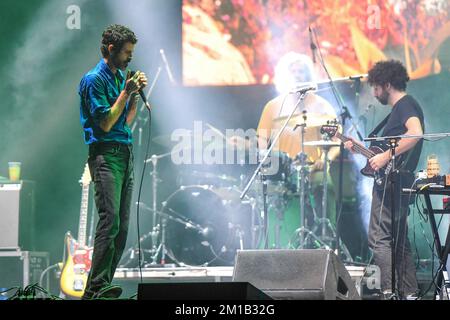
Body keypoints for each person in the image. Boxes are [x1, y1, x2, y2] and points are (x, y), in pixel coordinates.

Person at [78, 24, 148, 299]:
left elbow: (125, 122)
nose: (130, 57)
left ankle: (102, 285)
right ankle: (94, 289)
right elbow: (105, 123)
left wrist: (134, 95)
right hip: (106, 154)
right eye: (127, 52)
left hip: (124, 153)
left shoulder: (119, 77)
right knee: (110, 222)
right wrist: (125, 92)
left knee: (122, 226)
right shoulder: (94, 79)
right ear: (111, 49)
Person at [344, 60, 423, 299]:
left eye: (376, 88)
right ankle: (410, 293)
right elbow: (384, 154)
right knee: (399, 241)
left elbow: (416, 133)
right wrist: (361, 149)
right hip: (397, 182)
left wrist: (387, 155)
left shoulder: (404, 105)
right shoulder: (401, 109)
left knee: (379, 238)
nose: (375, 93)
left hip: (392, 184)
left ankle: (387, 292)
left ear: (387, 84)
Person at [256, 52, 340, 246]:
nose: (298, 75)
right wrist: (266, 163)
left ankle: (325, 243)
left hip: (314, 169)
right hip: (283, 172)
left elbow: (336, 139)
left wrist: (327, 159)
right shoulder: (273, 106)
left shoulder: (323, 106)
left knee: (324, 185)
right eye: (293, 71)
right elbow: (262, 138)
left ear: (309, 75)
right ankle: (280, 244)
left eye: (301, 71)